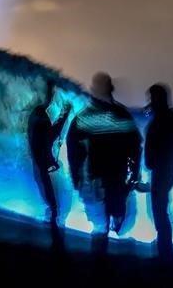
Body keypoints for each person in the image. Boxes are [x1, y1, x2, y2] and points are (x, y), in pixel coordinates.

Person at [66, 72, 141, 255]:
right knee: (114, 213)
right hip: (116, 174)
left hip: (97, 175)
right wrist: (134, 172)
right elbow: (136, 145)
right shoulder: (122, 114)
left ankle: (101, 255)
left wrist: (76, 175)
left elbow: (73, 146)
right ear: (111, 90)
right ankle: (112, 238)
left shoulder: (85, 116)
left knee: (101, 224)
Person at [144, 83, 173, 263]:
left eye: (152, 98)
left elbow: (169, 148)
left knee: (160, 213)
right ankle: (165, 251)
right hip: (164, 171)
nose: (150, 101)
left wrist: (165, 169)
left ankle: (165, 255)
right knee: (161, 211)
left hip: (162, 171)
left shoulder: (164, 119)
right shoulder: (168, 117)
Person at [27, 79, 72, 230]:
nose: (51, 99)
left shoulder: (37, 113)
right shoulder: (40, 115)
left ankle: (51, 217)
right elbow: (51, 135)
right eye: (50, 94)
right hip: (40, 159)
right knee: (47, 191)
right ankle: (52, 219)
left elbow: (46, 138)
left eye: (52, 95)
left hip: (39, 158)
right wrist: (65, 114)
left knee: (46, 190)